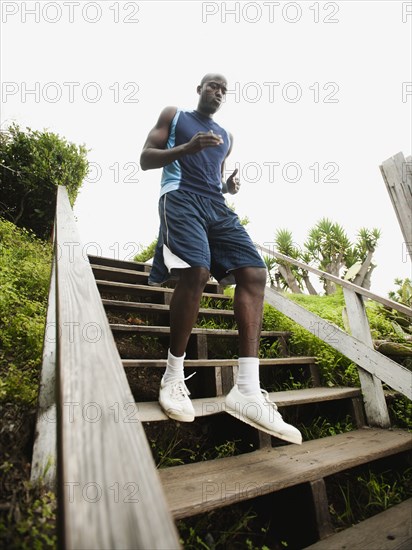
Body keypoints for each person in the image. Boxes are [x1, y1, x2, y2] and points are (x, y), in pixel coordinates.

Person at [140, 73, 302, 445]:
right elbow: (145, 159)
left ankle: (246, 389)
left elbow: (213, 177)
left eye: (224, 89)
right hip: (179, 197)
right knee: (196, 271)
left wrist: (227, 187)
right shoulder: (175, 116)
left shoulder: (227, 137)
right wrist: (185, 149)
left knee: (254, 272)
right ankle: (172, 375)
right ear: (199, 89)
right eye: (213, 85)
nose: (218, 92)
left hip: (216, 204)